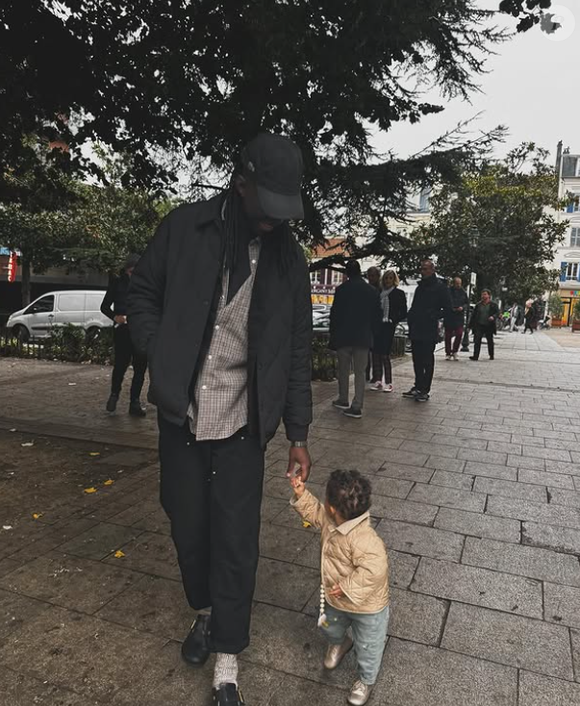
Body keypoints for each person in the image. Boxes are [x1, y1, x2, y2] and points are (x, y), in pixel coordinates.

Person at [127, 133, 313, 706]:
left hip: (242, 421)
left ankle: (227, 658)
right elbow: (142, 293)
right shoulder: (186, 229)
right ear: (241, 181)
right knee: (188, 524)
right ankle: (205, 614)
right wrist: (161, 353)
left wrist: (298, 433)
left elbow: (299, 348)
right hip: (182, 413)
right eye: (266, 206)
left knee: (236, 537)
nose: (272, 221)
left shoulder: (289, 260)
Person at [290, 469, 389, 706]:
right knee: (327, 625)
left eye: (325, 501)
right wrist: (302, 494)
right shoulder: (330, 518)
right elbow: (314, 513)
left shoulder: (366, 539)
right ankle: (340, 642)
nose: (323, 507)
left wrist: (347, 587)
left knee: (369, 646)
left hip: (368, 607)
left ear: (333, 508)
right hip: (335, 599)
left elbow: (374, 571)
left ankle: (365, 680)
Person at [329, 261, 382, 419]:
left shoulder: (341, 290)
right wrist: (373, 333)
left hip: (344, 335)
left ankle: (343, 398)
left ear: (347, 273)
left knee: (343, 370)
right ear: (361, 272)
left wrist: (333, 335)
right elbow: (377, 316)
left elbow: (335, 315)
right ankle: (357, 405)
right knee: (360, 372)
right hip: (363, 336)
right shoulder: (371, 291)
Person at [101, 253, 148, 417]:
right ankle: (114, 394)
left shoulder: (146, 284)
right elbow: (104, 306)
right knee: (120, 365)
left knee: (140, 367)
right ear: (127, 270)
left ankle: (134, 402)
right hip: (123, 329)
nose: (133, 275)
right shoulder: (117, 283)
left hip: (141, 330)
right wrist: (116, 317)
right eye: (131, 271)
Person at [404, 260, 452, 403]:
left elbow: (448, 309)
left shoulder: (440, 287)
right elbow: (415, 306)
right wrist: (411, 318)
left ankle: (425, 389)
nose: (422, 271)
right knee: (416, 359)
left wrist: (434, 315)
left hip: (429, 328)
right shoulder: (420, 287)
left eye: (425, 269)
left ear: (432, 270)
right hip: (417, 326)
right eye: (421, 269)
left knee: (427, 359)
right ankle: (418, 385)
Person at [370, 270, 407, 392]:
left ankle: (389, 382)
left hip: (388, 326)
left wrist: (393, 319)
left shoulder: (398, 294)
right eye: (386, 278)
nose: (387, 281)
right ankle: (378, 380)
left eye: (390, 278)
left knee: (385, 354)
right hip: (378, 325)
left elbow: (403, 312)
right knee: (376, 353)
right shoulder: (379, 292)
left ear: (394, 279)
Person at [469, 289, 499, 361]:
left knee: (490, 340)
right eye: (482, 294)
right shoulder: (478, 305)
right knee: (477, 340)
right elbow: (474, 315)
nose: (483, 296)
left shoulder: (493, 305)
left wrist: (493, 317)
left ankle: (491, 354)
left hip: (489, 325)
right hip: (479, 325)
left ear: (489, 295)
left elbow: (497, 313)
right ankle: (475, 356)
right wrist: (470, 325)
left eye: (485, 294)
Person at [444, 276, 468, 361]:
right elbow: (445, 302)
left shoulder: (463, 292)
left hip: (459, 317)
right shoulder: (448, 291)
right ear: (453, 283)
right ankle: (448, 352)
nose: (458, 285)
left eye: (460, 284)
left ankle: (455, 351)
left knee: (459, 334)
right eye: (457, 284)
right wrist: (450, 308)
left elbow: (466, 303)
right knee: (448, 336)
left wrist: (462, 307)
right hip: (449, 316)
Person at [366, 266, 382, 384]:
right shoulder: (365, 289)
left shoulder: (381, 290)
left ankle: (377, 375)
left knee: (377, 351)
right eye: (369, 276)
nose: (371, 278)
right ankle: (366, 373)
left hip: (378, 324)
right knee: (365, 350)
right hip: (367, 323)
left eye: (373, 276)